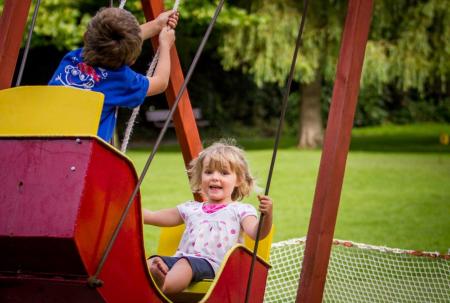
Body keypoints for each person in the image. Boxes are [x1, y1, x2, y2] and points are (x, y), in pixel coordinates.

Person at [143, 141, 273, 295]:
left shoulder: (241, 210)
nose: (215, 178)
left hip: (215, 266)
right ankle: (145, 283)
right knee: (152, 261)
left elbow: (257, 233)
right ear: (200, 176)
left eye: (224, 173)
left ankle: (163, 287)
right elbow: (152, 216)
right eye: (209, 172)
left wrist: (267, 215)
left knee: (185, 265)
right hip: (181, 259)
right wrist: (126, 207)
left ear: (238, 180)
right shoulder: (190, 208)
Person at [48, 7, 178, 142]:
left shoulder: (72, 59)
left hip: (45, 145)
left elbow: (110, 42)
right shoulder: (122, 80)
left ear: (86, 36)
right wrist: (165, 45)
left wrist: (156, 25)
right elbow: (161, 82)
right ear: (132, 60)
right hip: (86, 155)